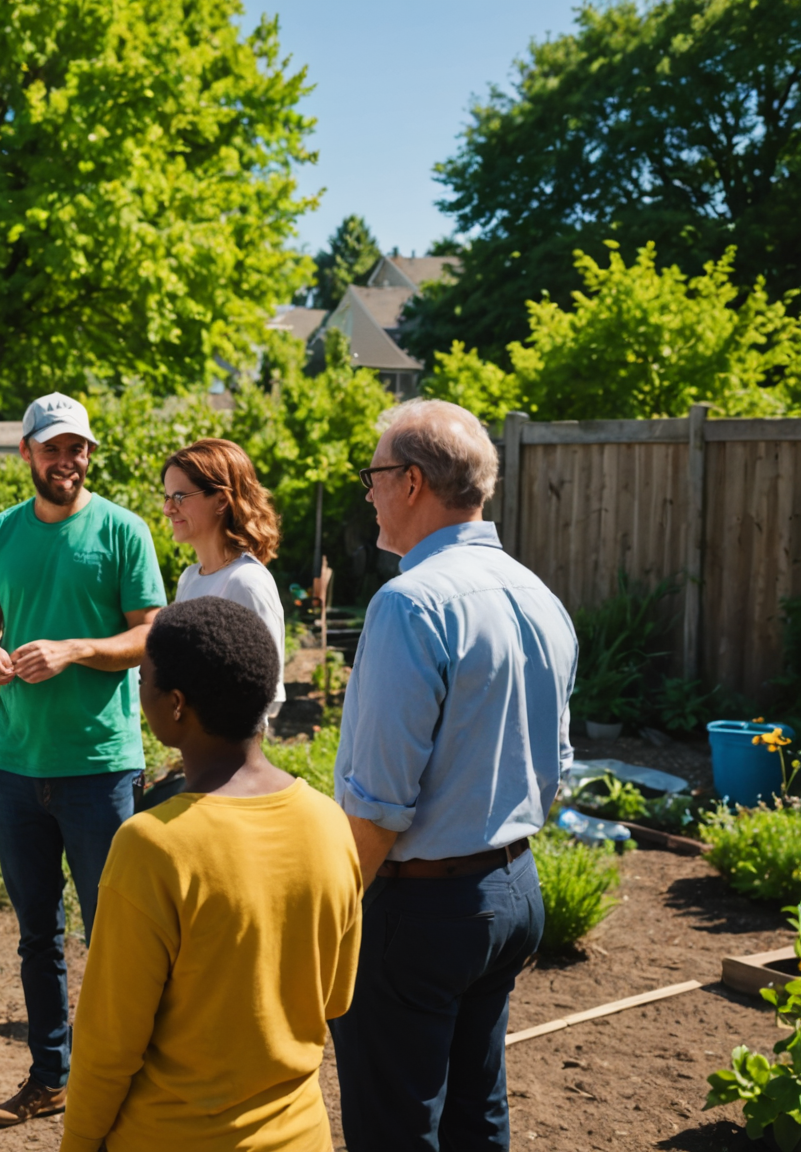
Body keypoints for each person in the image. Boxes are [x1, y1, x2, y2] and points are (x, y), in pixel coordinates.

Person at [329, 398, 576, 1150]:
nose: (367, 492)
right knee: (477, 1111)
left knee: (395, 1127)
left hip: (420, 910)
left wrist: (326, 922)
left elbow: (376, 807)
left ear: (410, 483)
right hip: (511, 893)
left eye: (373, 475)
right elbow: (557, 769)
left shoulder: (410, 604)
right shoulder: (540, 595)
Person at [61, 596, 362, 1152]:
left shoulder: (153, 845)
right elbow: (335, 997)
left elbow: (108, 1046)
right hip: (301, 1135)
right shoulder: (330, 822)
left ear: (176, 704)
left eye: (142, 678)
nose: (138, 689)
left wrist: (78, 1142)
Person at [0, 393, 166, 1129]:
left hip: (100, 765)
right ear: (26, 454)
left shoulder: (123, 531)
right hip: (16, 765)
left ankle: (129, 1078)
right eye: (53, 448)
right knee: (38, 934)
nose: (67, 460)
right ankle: (52, 1075)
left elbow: (151, 634)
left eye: (78, 447)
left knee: (117, 931)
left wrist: (76, 648)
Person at [160, 437, 286, 717]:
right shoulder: (189, 579)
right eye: (167, 497)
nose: (167, 509)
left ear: (220, 501)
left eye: (179, 497)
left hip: (228, 759)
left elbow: (266, 698)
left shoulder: (246, 583)